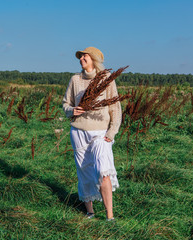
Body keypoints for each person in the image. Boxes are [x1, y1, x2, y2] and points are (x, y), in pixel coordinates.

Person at [62, 47, 122, 221]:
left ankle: (110, 216)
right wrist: (73, 110)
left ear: (94, 59)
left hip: (101, 133)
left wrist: (111, 133)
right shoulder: (75, 79)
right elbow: (66, 104)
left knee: (104, 172)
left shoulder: (107, 80)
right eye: (80, 57)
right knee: (84, 172)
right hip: (78, 131)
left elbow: (115, 109)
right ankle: (90, 212)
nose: (81, 59)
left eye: (84, 56)